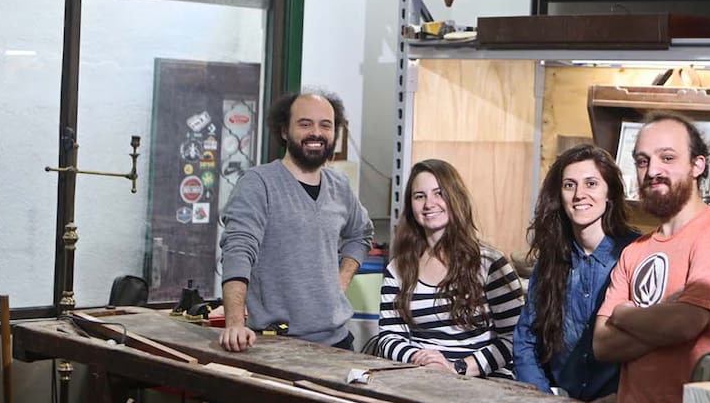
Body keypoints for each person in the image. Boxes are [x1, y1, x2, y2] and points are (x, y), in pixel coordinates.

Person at [594, 111, 710, 403]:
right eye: (642, 160)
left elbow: (688, 323)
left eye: (667, 158)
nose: (653, 171)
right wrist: (665, 322)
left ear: (698, 165)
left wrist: (625, 312)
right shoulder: (635, 251)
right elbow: (602, 344)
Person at [216, 89, 373, 352]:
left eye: (326, 125)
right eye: (305, 124)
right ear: (284, 131)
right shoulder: (258, 183)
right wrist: (234, 323)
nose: (316, 133)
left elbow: (361, 234)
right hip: (275, 344)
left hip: (337, 344)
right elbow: (238, 249)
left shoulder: (340, 186)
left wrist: (340, 282)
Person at [374, 159, 523, 378]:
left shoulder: (491, 263)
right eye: (419, 196)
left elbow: (515, 338)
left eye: (439, 193)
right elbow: (389, 336)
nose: (429, 203)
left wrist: (457, 368)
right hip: (421, 376)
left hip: (484, 381)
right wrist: (421, 359)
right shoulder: (398, 269)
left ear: (455, 198)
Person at [514, 144, 636, 401]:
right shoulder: (551, 262)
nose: (580, 194)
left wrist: (625, 397)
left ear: (610, 193)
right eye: (569, 185)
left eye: (591, 183)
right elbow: (525, 343)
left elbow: (655, 347)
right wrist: (545, 400)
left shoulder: (636, 255)